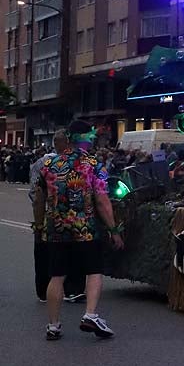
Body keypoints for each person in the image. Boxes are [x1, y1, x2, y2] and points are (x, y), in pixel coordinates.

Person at [34, 120, 124, 341]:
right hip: (86, 229)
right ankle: (90, 315)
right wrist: (114, 229)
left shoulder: (48, 165)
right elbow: (102, 200)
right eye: (91, 137)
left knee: (56, 276)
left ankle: (53, 325)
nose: (92, 140)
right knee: (94, 270)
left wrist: (39, 226)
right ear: (82, 139)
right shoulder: (94, 165)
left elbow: (38, 199)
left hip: (56, 229)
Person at [31, 131, 85, 304]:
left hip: (53, 217)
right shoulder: (81, 163)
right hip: (72, 218)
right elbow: (37, 195)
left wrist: (38, 224)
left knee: (48, 255)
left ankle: (47, 290)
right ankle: (71, 289)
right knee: (70, 254)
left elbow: (36, 195)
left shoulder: (43, 164)